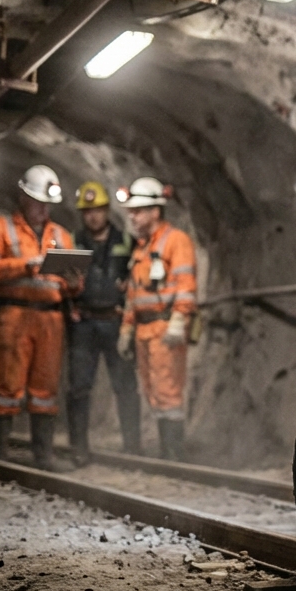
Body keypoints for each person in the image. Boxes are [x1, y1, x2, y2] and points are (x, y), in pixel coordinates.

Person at [0, 165, 83, 469]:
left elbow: (68, 285)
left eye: (47, 203)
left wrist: (75, 284)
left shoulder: (61, 235)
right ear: (23, 197)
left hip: (50, 319)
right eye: (38, 202)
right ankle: (0, 456)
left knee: (45, 388)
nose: (43, 209)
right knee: (7, 386)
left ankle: (43, 456)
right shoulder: (1, 228)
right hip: (13, 315)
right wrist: (27, 264)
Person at [117, 177, 197, 460]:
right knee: (152, 391)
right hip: (145, 330)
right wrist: (127, 329)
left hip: (165, 327)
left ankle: (173, 455)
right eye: (131, 211)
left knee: (168, 392)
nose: (132, 216)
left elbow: (185, 284)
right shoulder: (140, 248)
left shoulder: (177, 241)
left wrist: (179, 320)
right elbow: (134, 295)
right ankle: (167, 453)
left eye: (138, 210)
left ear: (155, 211)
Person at [67, 181, 141, 463]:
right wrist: (69, 304)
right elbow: (60, 281)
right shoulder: (71, 242)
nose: (93, 216)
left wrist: (128, 299)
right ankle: (79, 448)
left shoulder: (125, 242)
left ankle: (133, 448)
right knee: (79, 387)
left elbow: (140, 276)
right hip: (83, 322)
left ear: (107, 210)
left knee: (125, 386)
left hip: (115, 321)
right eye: (87, 211)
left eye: (97, 210)